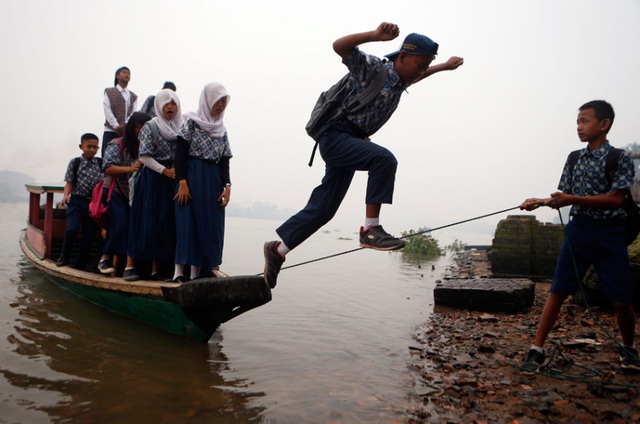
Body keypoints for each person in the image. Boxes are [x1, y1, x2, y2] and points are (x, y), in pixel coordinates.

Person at [263, 22, 464, 288]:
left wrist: (442, 67)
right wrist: (374, 36)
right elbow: (339, 47)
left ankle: (278, 250)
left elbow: (417, 75)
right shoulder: (373, 69)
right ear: (402, 57)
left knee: (325, 208)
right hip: (335, 137)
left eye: (425, 67)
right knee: (383, 159)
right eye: (419, 65)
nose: (421, 72)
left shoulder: (400, 81)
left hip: (351, 142)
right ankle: (370, 229)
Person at [519, 100, 640, 372]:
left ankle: (629, 349)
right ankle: (536, 350)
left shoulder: (618, 158)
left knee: (622, 299)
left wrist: (571, 199)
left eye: (584, 121)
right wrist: (537, 202)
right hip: (579, 231)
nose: (579, 127)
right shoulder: (574, 158)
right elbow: (561, 196)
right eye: (577, 122)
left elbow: (616, 199)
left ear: (604, 124)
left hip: (611, 233)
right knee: (558, 291)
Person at [173, 82, 232, 283]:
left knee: (208, 225)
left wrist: (227, 186)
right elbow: (179, 155)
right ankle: (178, 273)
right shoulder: (191, 123)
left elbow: (225, 161)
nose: (221, 105)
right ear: (208, 100)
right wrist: (182, 181)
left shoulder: (222, 130)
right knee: (187, 222)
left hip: (213, 178)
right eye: (218, 100)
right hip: (192, 175)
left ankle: (196, 275)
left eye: (224, 101)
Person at [128, 89, 182, 280]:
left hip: (170, 181)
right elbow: (144, 157)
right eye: (166, 103)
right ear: (159, 105)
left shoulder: (180, 127)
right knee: (144, 221)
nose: (170, 107)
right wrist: (165, 171)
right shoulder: (150, 127)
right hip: (152, 179)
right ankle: (130, 267)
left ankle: (155, 271)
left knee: (164, 224)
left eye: (174, 103)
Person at [98, 112, 151, 281]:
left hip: (135, 195)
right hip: (116, 191)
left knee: (133, 228)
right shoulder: (117, 143)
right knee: (120, 224)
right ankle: (105, 258)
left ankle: (129, 267)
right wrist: (130, 169)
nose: (141, 133)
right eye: (139, 129)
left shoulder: (144, 147)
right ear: (132, 129)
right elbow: (107, 168)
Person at [56, 133, 104, 270]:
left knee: (88, 238)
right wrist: (66, 196)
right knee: (72, 229)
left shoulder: (101, 163)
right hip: (77, 201)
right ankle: (64, 256)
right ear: (81, 146)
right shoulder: (75, 162)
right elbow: (69, 182)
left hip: (93, 203)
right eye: (89, 146)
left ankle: (80, 265)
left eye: (95, 147)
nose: (92, 150)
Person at [102, 66, 138, 156]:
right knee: (107, 155)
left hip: (126, 131)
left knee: (125, 156)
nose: (127, 75)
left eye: (129, 74)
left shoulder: (133, 96)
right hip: (110, 130)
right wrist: (116, 126)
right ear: (117, 76)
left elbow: (133, 113)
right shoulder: (109, 91)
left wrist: (125, 125)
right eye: (124, 73)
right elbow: (107, 109)